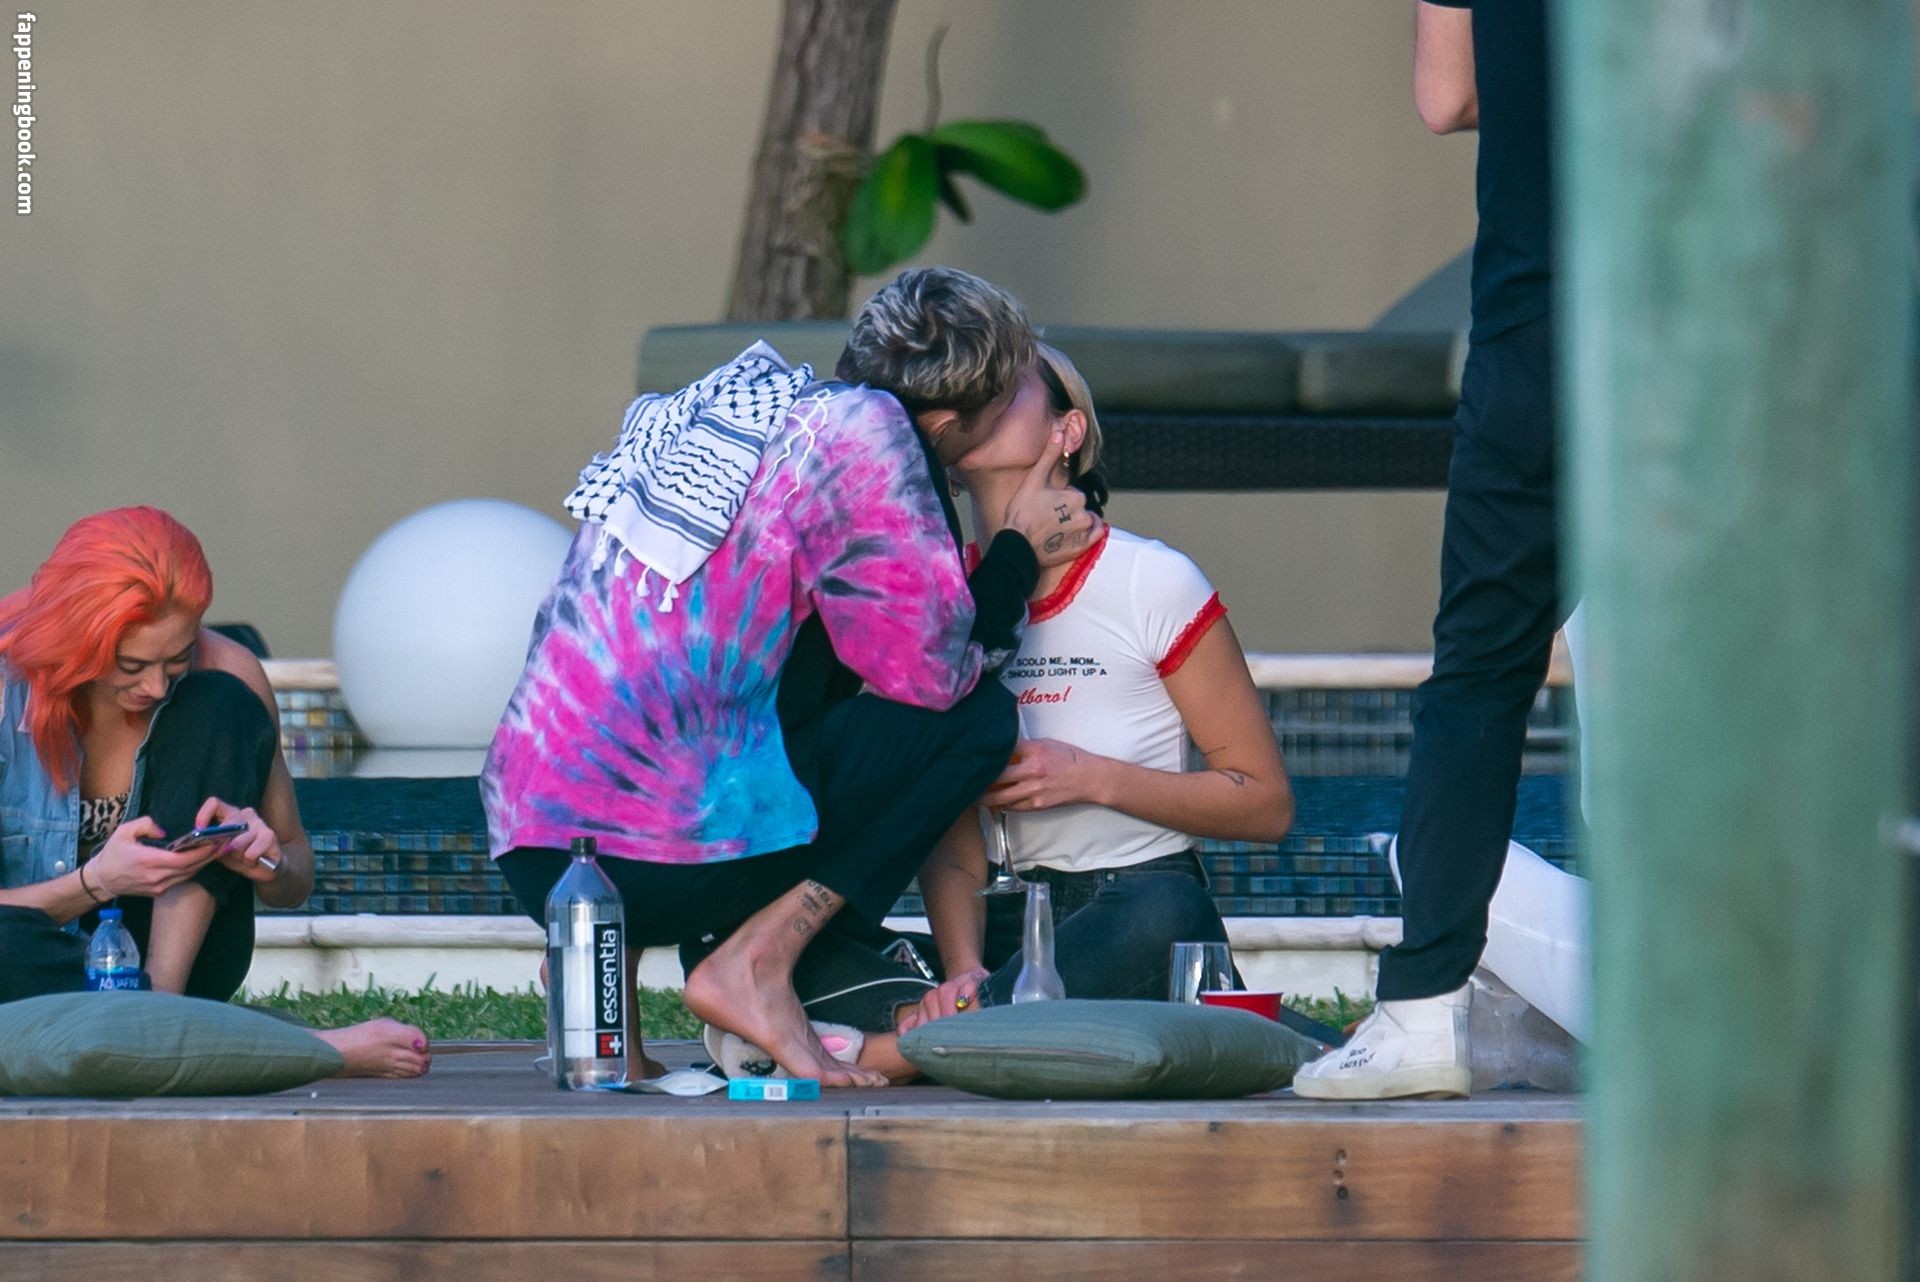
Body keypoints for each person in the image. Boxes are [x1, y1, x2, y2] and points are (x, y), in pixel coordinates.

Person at [484, 268, 1101, 1087]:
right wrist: (1016, 549)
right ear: (951, 423)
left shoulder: (735, 409)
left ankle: (613, 1026)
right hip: (656, 861)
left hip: (540, 855)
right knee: (974, 719)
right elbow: (934, 677)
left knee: (708, 677)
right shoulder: (871, 435)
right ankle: (759, 964)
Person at [779, 343, 1294, 1083]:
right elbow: (952, 842)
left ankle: (908, 1049)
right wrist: (962, 970)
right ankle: (981, 1023)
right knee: (786, 937)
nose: (979, 389)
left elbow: (1265, 803)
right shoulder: (941, 596)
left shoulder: (1152, 579)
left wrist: (1089, 777)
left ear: (1067, 430)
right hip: (1002, 932)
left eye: (1006, 382)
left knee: (1167, 918)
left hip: (1128, 909)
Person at [1294, 0, 1561, 1100]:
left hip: (1539, 334)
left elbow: (1447, 96)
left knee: (1481, 675)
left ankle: (1421, 1012)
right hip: (1719, 332)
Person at [0, 507, 430, 1079]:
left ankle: (161, 1017)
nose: (156, 685)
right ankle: (254, 1043)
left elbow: (295, 879)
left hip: (175, 967)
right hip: (31, 961)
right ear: (79, 639)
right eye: (131, 665)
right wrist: (98, 880)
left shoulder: (227, 668)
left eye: (176, 660)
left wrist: (266, 861)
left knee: (219, 700)